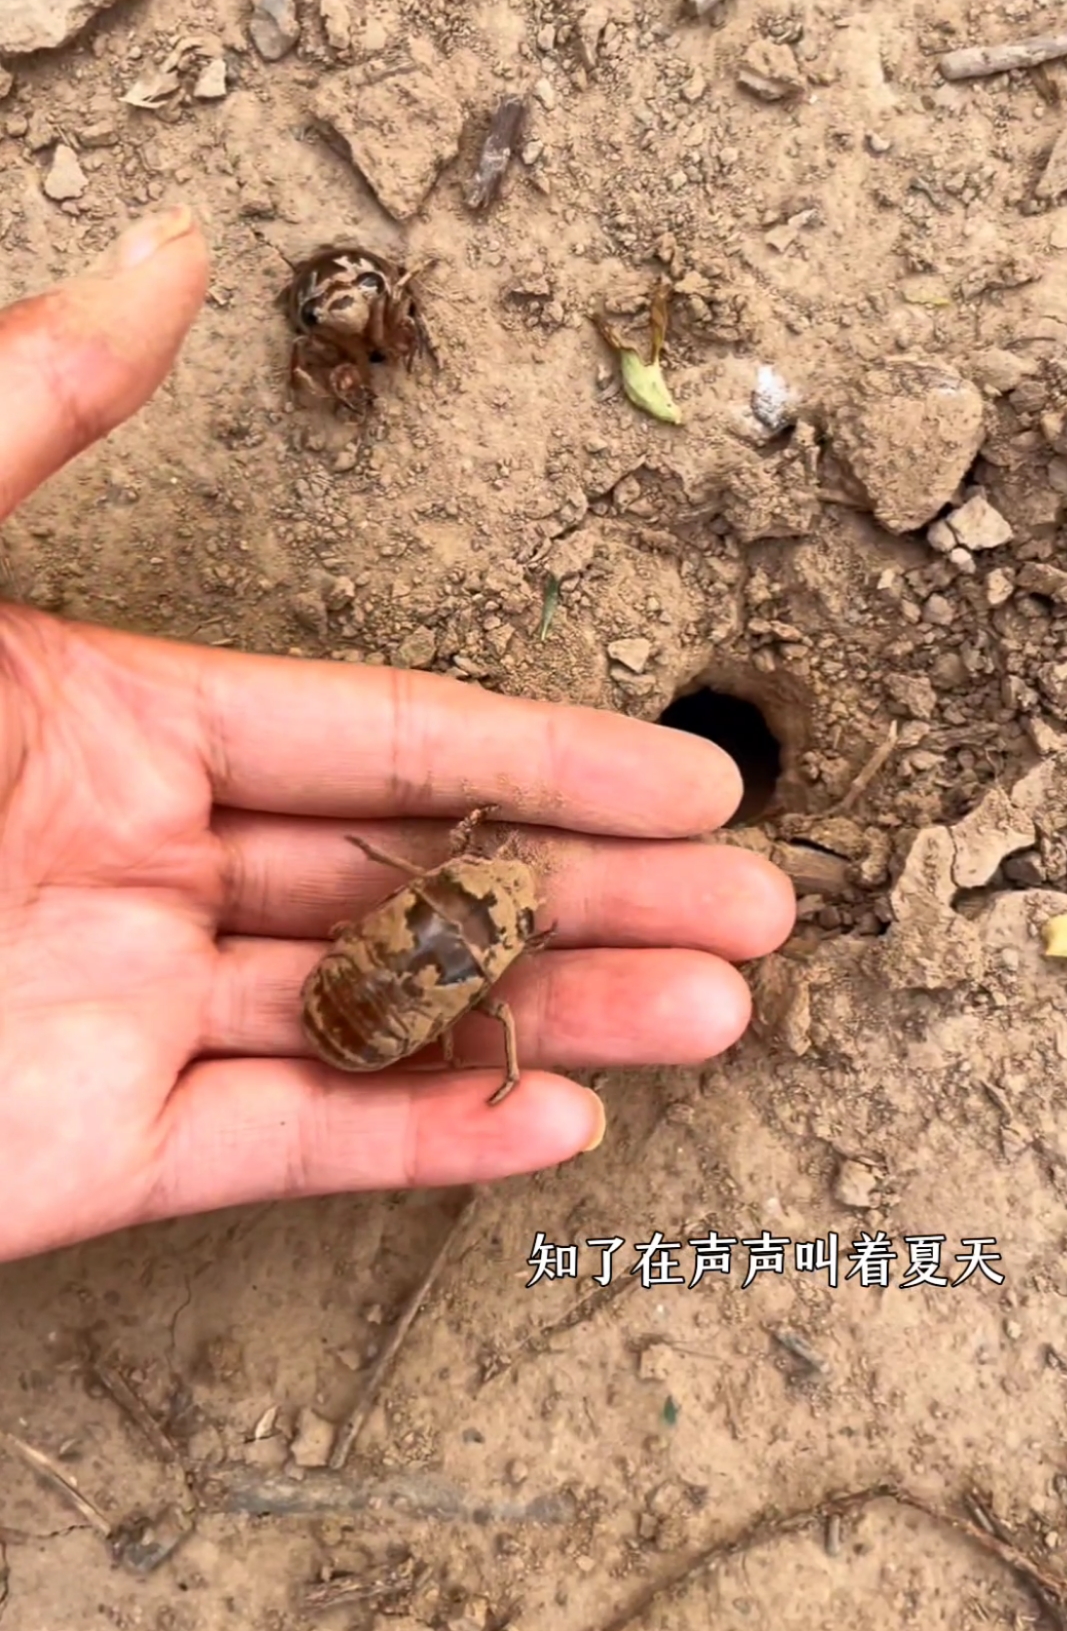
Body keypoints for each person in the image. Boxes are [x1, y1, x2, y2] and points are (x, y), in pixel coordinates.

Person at [0, 207, 795, 1265]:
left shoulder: (437, 902)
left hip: (363, 1011)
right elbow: (468, 971)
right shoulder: (467, 936)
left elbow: (411, 893)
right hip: (362, 1013)